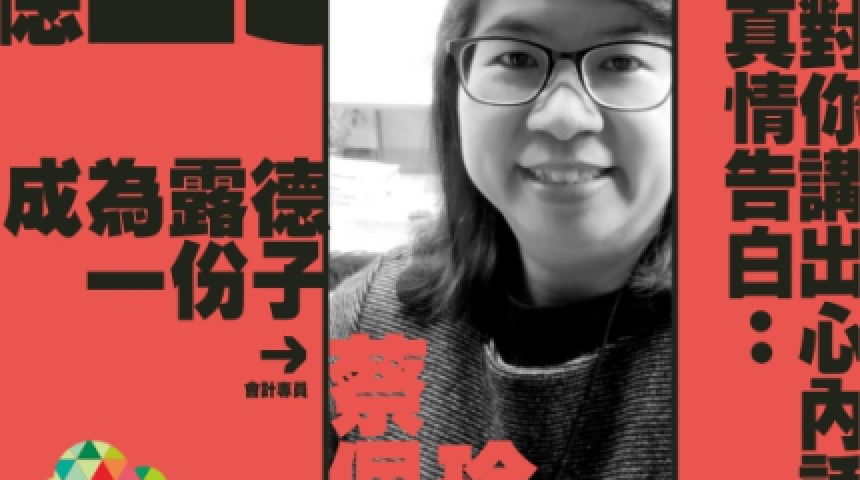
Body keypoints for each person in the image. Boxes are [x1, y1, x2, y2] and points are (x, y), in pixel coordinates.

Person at [330, 0, 673, 477]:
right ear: (456, 87)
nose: (564, 118)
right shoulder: (365, 322)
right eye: (516, 58)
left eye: (622, 62)